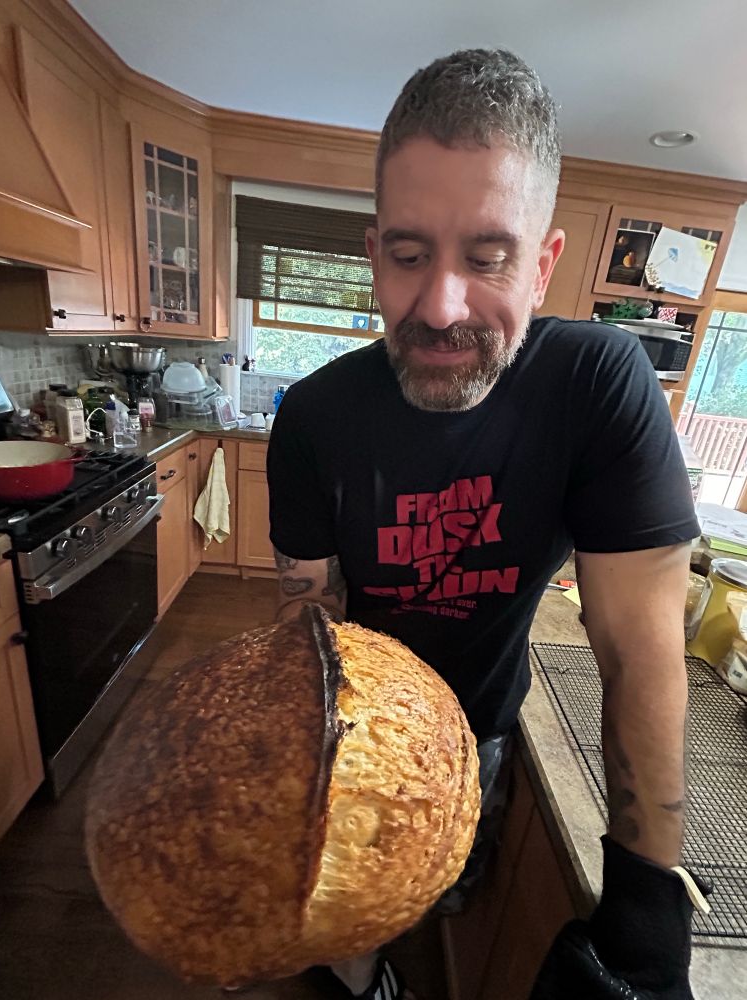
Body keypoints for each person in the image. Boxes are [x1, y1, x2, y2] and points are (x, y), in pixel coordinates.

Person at [267, 48, 707, 1000]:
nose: (440, 307)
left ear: (543, 265)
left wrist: (644, 903)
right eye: (410, 254)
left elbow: (639, 645)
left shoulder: (597, 387)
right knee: (344, 945)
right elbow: (311, 630)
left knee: (446, 898)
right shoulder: (310, 418)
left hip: (486, 731)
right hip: (355, 750)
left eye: (488, 256)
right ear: (374, 247)